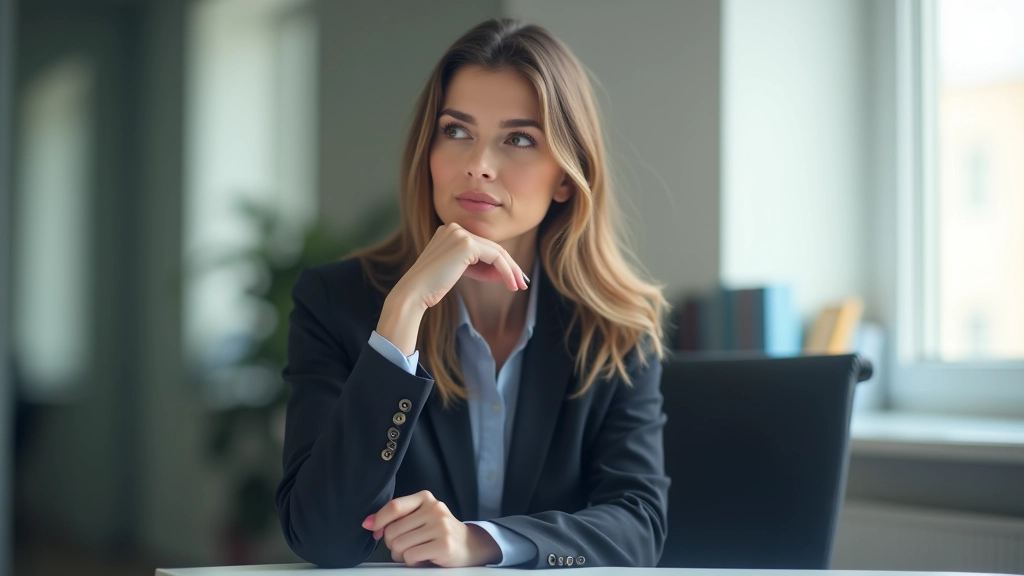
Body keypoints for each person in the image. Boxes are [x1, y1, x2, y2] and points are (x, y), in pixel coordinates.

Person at [275, 18, 670, 569]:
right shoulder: (336, 302)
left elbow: (638, 524)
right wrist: (401, 317)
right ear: (428, 151)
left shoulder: (617, 327)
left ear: (565, 175)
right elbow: (321, 535)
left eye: (519, 139)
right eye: (456, 131)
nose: (477, 165)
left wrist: (481, 541)